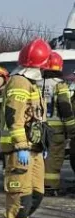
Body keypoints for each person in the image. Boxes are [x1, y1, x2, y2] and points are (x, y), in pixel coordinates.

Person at [0, 38, 50, 218]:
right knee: (21, 195)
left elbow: (35, 119)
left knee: (36, 195)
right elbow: (13, 117)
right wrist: (21, 145)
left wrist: (42, 143)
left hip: (33, 148)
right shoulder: (19, 82)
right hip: (19, 150)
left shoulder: (31, 83)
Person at [40, 51, 73, 195]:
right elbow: (65, 107)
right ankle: (51, 186)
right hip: (56, 131)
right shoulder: (60, 85)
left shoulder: (36, 83)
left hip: (38, 129)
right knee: (54, 158)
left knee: (40, 157)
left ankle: (38, 185)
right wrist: (72, 129)